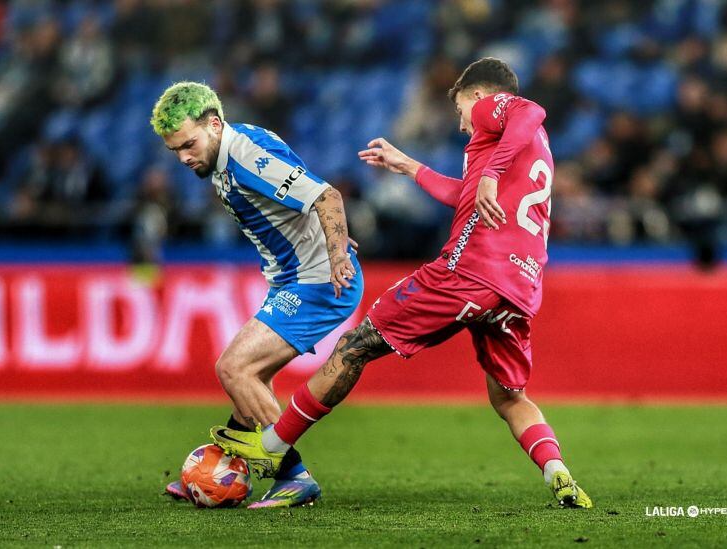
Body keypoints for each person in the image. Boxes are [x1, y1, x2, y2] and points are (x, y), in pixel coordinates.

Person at [211, 58, 592, 508]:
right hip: (519, 289)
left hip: (468, 272)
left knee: (354, 347)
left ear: (477, 96)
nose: (463, 126)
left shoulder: (498, 109)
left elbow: (530, 112)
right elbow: (462, 195)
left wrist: (488, 176)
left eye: (459, 113)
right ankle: (559, 473)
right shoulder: (528, 149)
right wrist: (408, 165)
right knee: (510, 396)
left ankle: (272, 447)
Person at [150, 82, 363, 508]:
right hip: (292, 278)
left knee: (235, 368)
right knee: (251, 374)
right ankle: (227, 466)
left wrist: (337, 253)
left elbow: (327, 195)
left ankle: (294, 474)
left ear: (215, 124)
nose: (184, 157)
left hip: (319, 280)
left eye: (189, 144)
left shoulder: (247, 156)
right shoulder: (225, 154)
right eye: (175, 151)